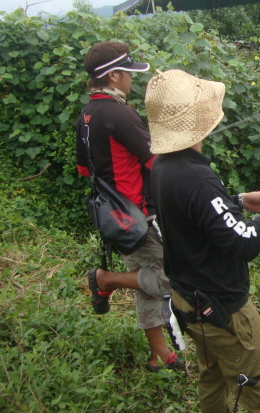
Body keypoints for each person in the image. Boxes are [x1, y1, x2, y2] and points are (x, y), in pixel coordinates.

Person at [145, 69, 260, 413]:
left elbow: (193, 213)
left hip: (188, 300)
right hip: (220, 310)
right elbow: (245, 242)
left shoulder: (164, 166)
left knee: (214, 378)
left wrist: (239, 200)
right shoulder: (196, 177)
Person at [75, 41, 184, 373]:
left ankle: (159, 355)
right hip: (137, 215)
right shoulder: (120, 114)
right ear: (114, 76)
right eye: (128, 75)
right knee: (174, 277)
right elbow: (155, 161)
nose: (132, 81)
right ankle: (105, 280)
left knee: (142, 278)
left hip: (112, 215)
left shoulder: (87, 114)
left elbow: (84, 170)